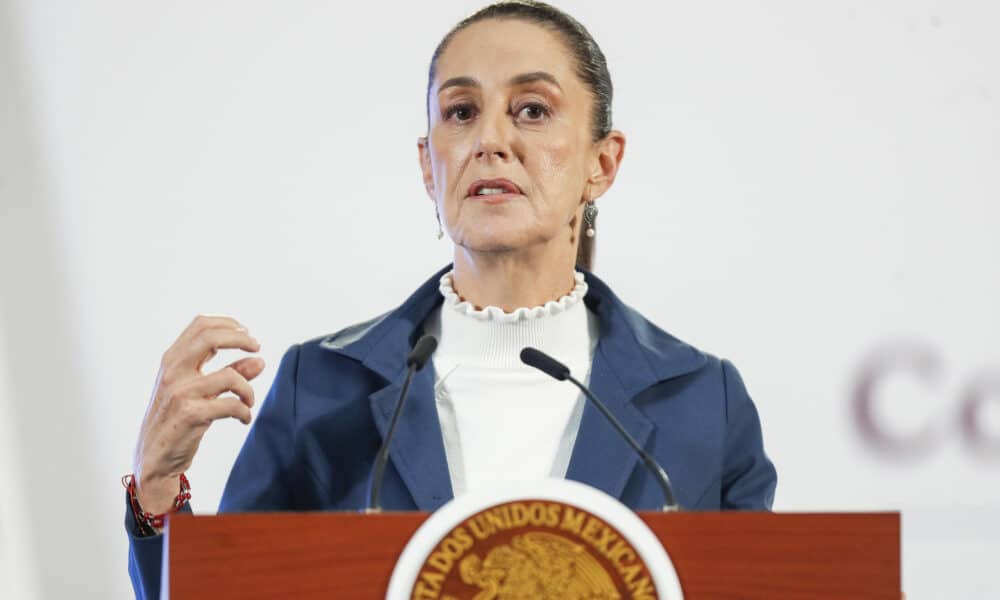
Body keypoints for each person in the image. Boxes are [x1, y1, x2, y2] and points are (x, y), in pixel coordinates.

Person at [124, 2, 777, 597]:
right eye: (461, 112)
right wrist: (156, 489)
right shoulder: (321, 390)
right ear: (427, 165)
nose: (490, 140)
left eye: (532, 110)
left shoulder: (701, 401)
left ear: (601, 164)